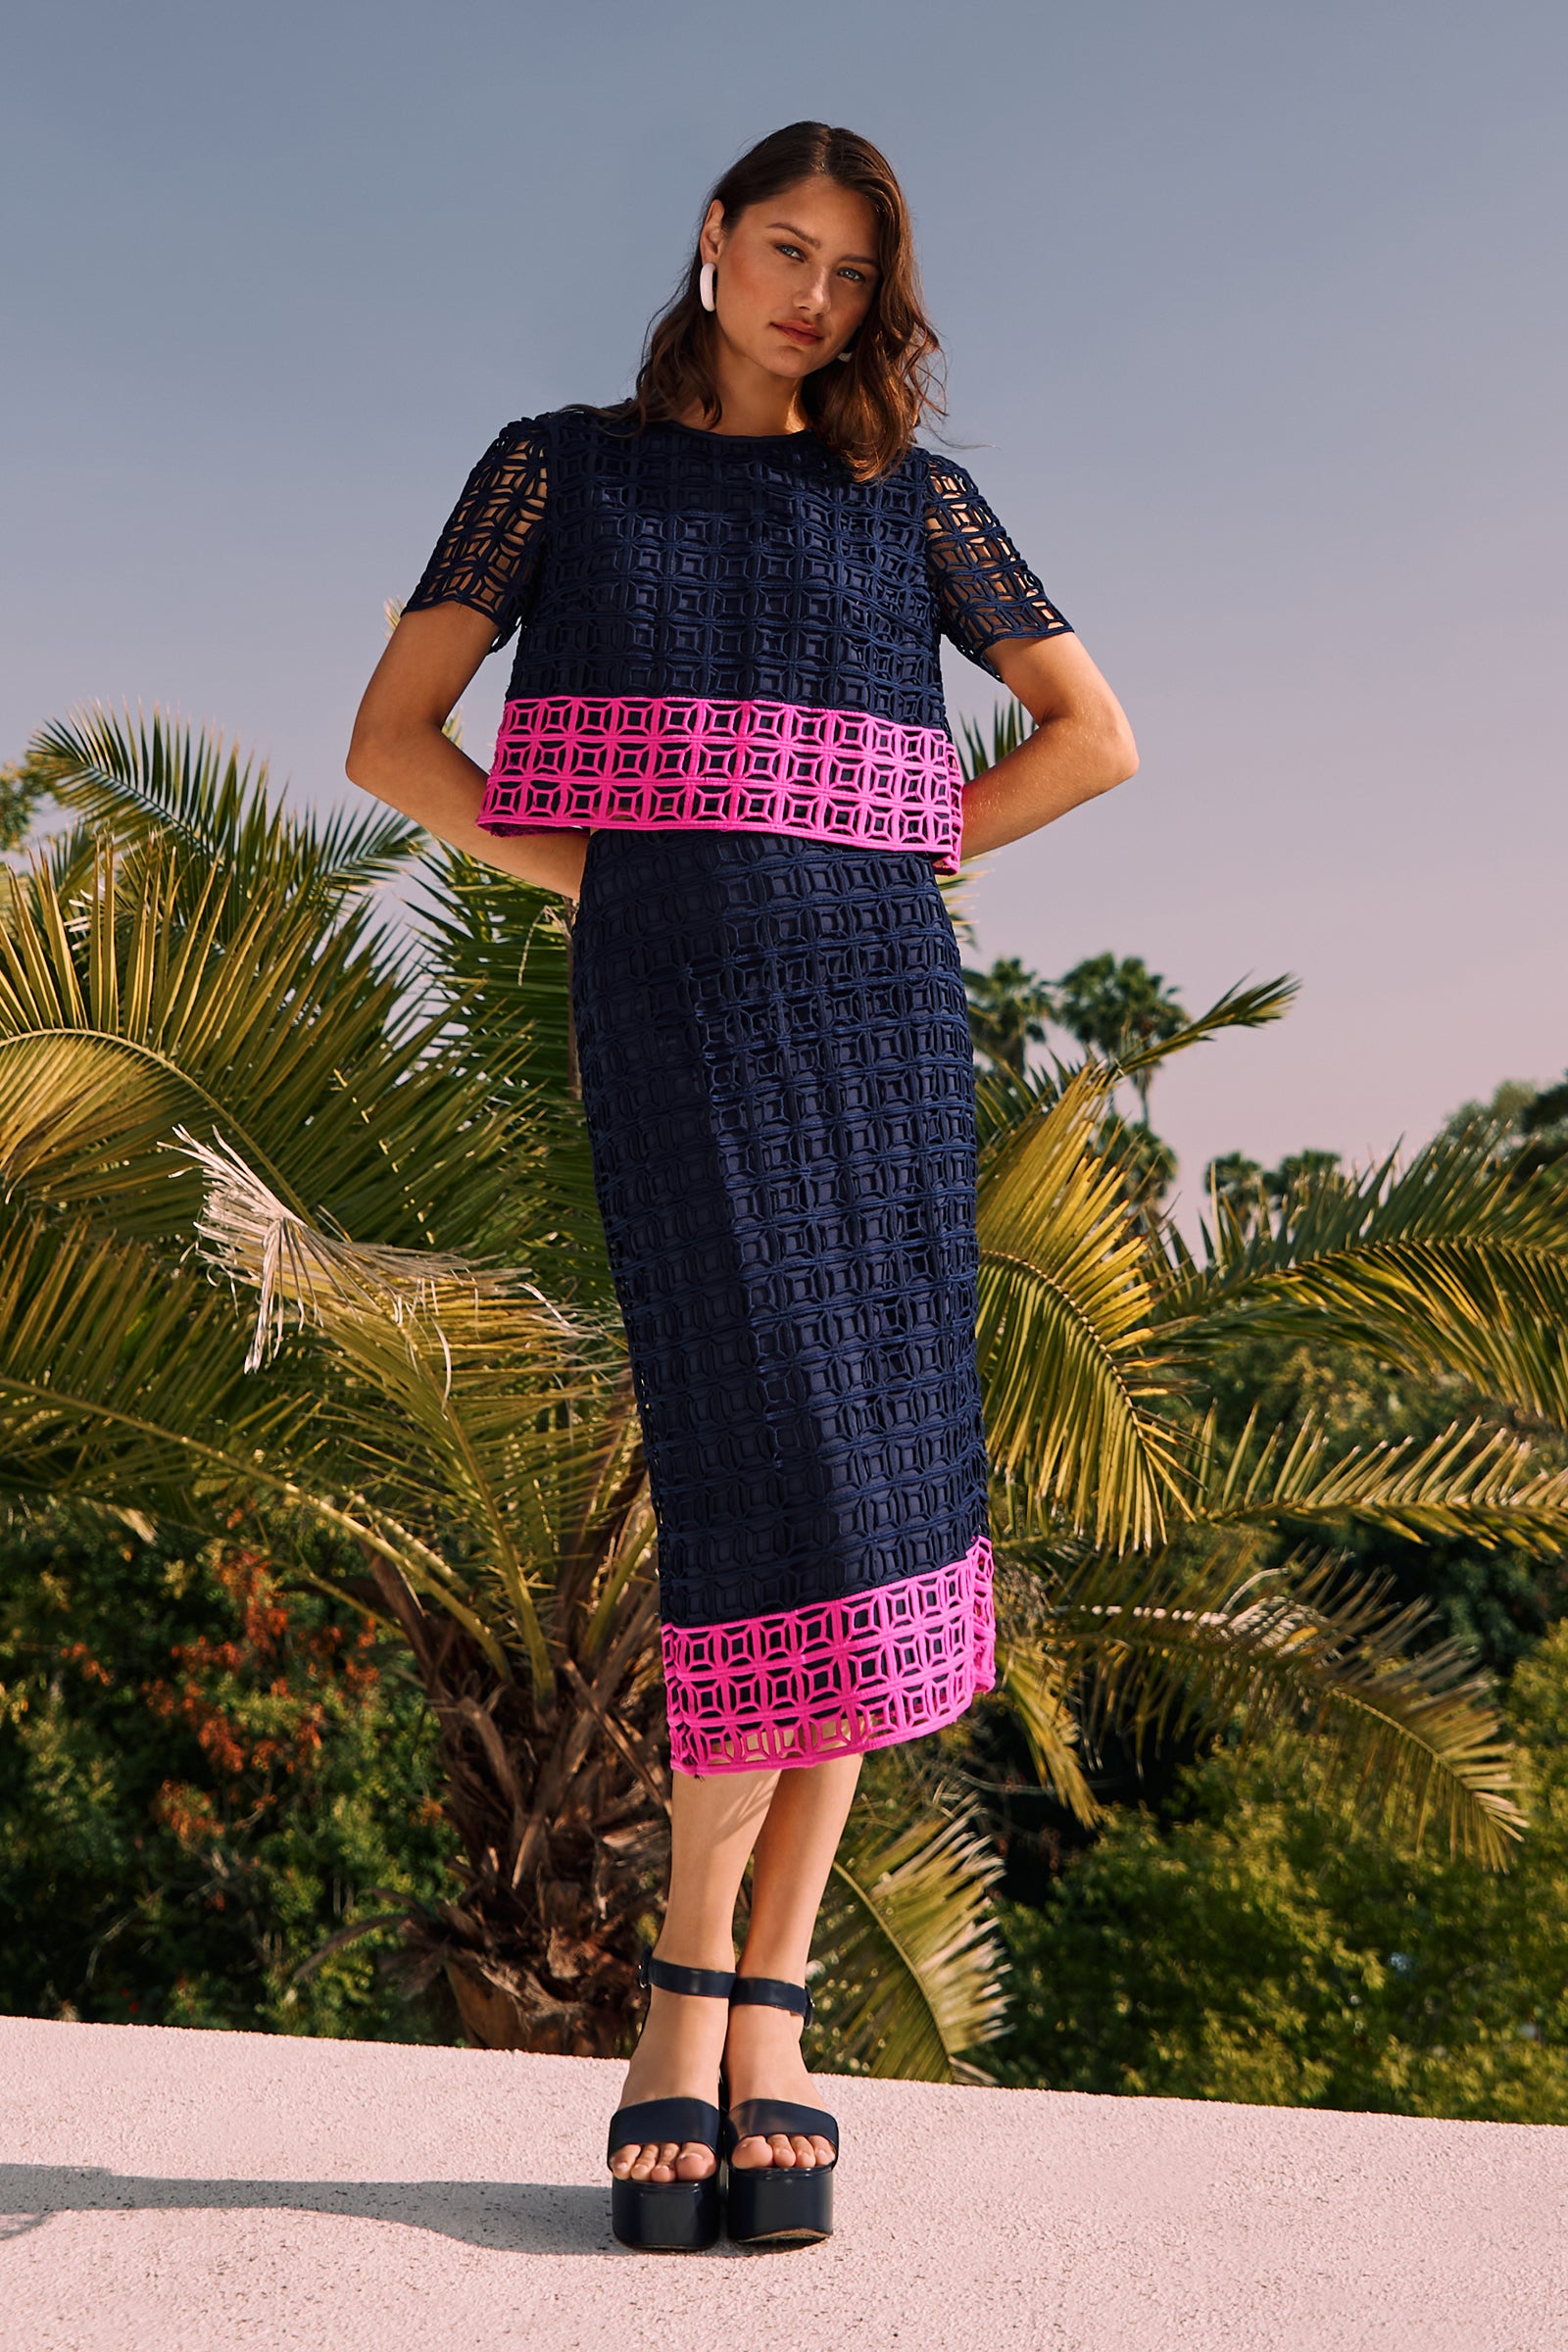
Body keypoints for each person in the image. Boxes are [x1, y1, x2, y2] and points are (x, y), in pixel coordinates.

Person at [347, 119, 1138, 2251]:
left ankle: (747, 2012)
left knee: (872, 1480)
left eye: (851, 274)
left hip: (876, 1014)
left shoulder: (905, 500)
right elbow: (392, 738)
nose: (811, 296)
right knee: (755, 1464)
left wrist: (877, 838)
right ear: (707, 244)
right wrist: (598, 868)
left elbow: (1090, 736)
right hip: (677, 1021)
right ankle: (686, 1989)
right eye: (781, 249)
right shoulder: (562, 471)